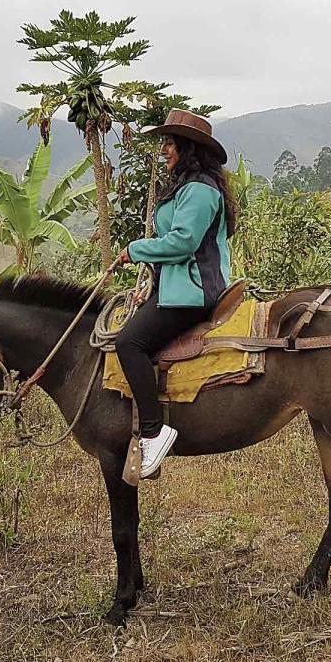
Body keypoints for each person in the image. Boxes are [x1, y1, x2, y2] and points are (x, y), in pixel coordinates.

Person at [115, 110, 236, 479]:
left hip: (195, 292)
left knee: (129, 343)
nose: (164, 149)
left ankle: (153, 432)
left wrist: (135, 249)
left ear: (189, 148)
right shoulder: (187, 185)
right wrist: (152, 285)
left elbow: (183, 243)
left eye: (169, 143)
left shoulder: (199, 189)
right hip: (179, 288)